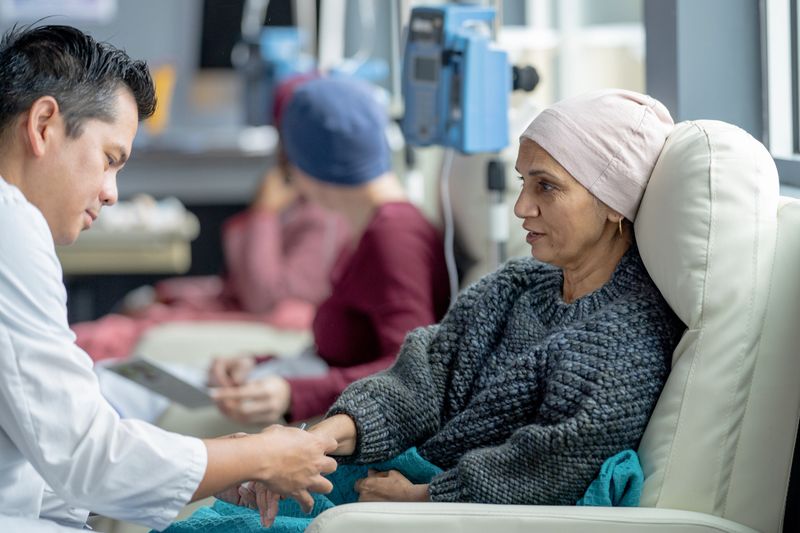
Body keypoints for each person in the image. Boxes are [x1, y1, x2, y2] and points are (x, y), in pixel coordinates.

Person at [0, 24, 336, 531]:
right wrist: (258, 457)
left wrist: (213, 461)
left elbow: (44, 464)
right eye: (110, 160)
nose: (111, 193)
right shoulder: (11, 225)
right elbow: (85, 456)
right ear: (45, 123)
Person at [305, 89, 686, 506]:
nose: (522, 206)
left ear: (614, 201)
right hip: (390, 473)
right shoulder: (516, 283)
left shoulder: (626, 341)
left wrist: (418, 499)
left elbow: (550, 467)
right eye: (523, 183)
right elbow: (421, 378)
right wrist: (324, 436)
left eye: (546, 187)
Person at [209, 77, 451, 425]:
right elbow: (346, 354)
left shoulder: (393, 238)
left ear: (301, 164)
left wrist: (294, 394)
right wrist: (259, 365)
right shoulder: (371, 228)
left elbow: (411, 370)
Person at [71, 73, 350, 362]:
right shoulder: (296, 197)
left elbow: (263, 297)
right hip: (226, 311)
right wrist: (172, 294)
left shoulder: (323, 214)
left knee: (92, 342)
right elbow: (237, 286)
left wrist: (263, 214)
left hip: (248, 327)